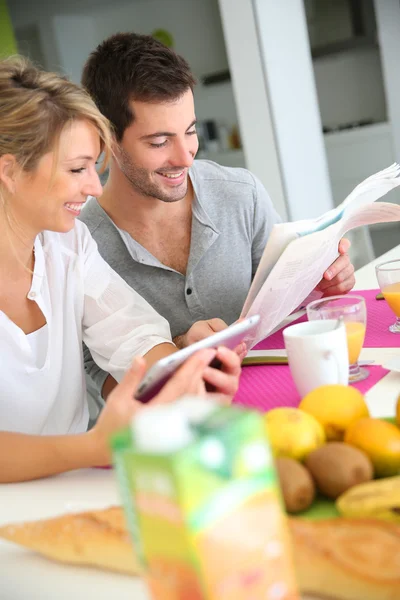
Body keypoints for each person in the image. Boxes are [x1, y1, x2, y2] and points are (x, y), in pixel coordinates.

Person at [0, 56, 241, 484]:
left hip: (67, 490)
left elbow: (133, 334)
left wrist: (181, 376)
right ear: (9, 170)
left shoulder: (67, 244)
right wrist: (93, 446)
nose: (94, 186)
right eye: (77, 169)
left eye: (94, 166)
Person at [80, 32, 355, 400]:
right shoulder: (81, 246)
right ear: (107, 138)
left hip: (280, 398)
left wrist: (322, 283)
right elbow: (105, 383)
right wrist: (179, 353)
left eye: (190, 132)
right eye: (159, 142)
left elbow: (288, 303)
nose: (185, 156)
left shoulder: (241, 194)